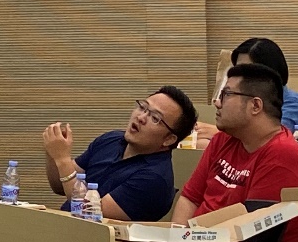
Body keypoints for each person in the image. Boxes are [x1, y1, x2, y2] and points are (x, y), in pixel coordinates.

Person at [173, 63, 298, 242]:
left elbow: (250, 235)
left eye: (226, 94)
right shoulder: (223, 140)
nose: (217, 102)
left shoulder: (282, 154)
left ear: (255, 106)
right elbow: (190, 197)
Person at [42, 86, 198, 221]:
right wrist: (53, 152)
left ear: (169, 139)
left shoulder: (155, 179)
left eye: (155, 118)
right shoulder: (111, 139)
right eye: (143, 107)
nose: (141, 117)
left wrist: (62, 159)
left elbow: (88, 215)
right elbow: (60, 186)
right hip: (66, 227)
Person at [195, 38, 298, 156]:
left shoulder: (293, 102)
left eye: (247, 71)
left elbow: (266, 137)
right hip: (262, 156)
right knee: (201, 144)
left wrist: (215, 132)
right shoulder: (245, 98)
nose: (239, 75)